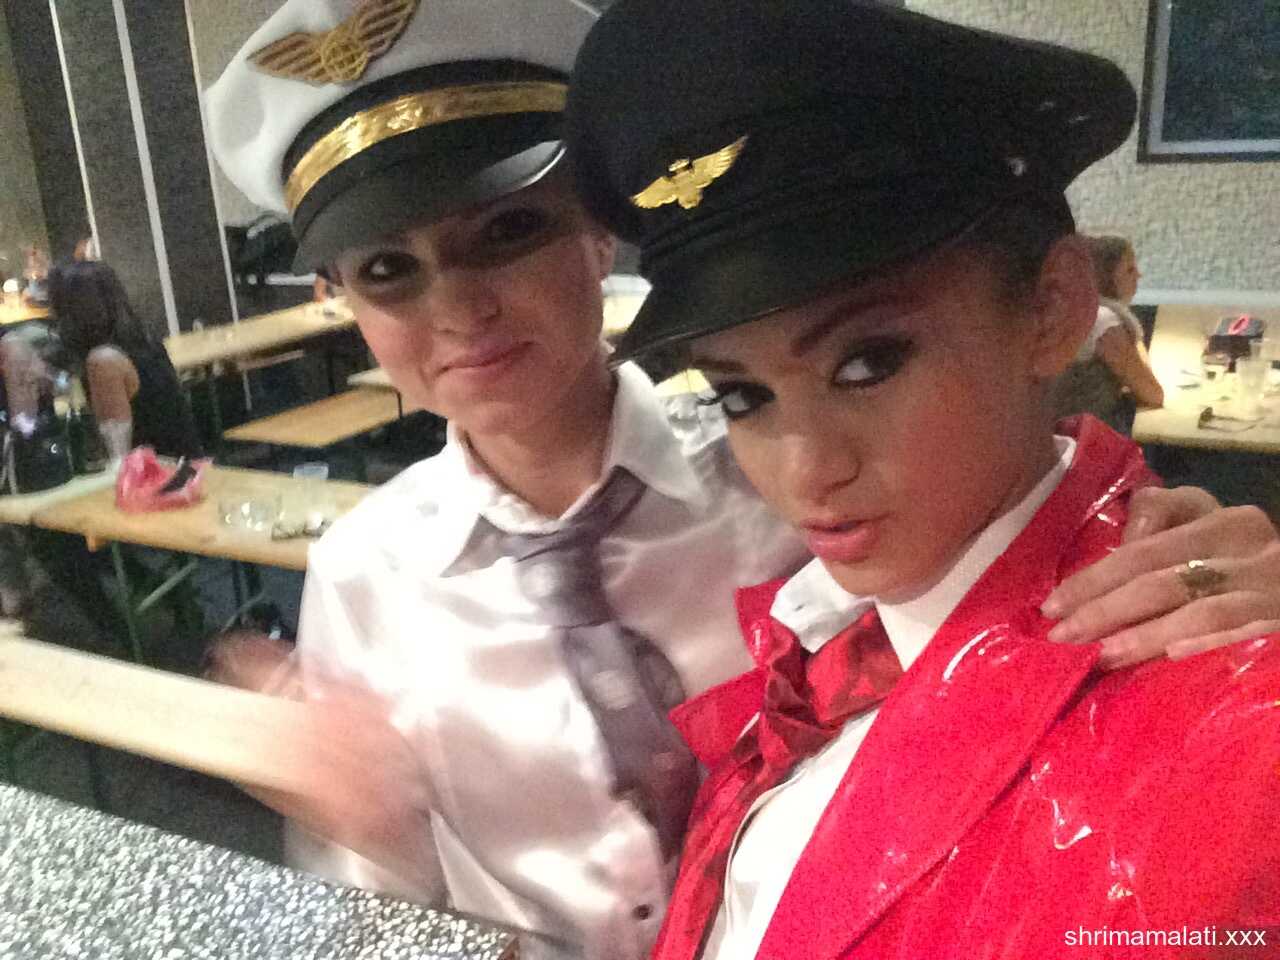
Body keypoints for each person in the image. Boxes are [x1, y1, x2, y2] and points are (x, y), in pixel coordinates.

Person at [205, 1, 1280, 956]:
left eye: (509, 230)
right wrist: (367, 830)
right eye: (388, 271)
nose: (458, 308)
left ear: (597, 239)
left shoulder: (783, 511)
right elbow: (376, 896)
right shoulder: (364, 572)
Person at [565, 2, 1280, 957]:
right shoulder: (835, 636)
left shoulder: (1230, 741)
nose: (807, 469)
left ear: (1055, 307)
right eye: (743, 396)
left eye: (867, 364)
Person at [45, 259, 202, 461]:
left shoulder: (103, 361)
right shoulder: (143, 341)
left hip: (159, 474)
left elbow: (118, 457)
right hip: (184, 467)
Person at [1050, 233, 1162, 431]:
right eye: (1129, 269)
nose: (1138, 275)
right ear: (1104, 277)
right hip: (1084, 436)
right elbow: (1153, 394)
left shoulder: (1073, 310)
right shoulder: (1103, 322)